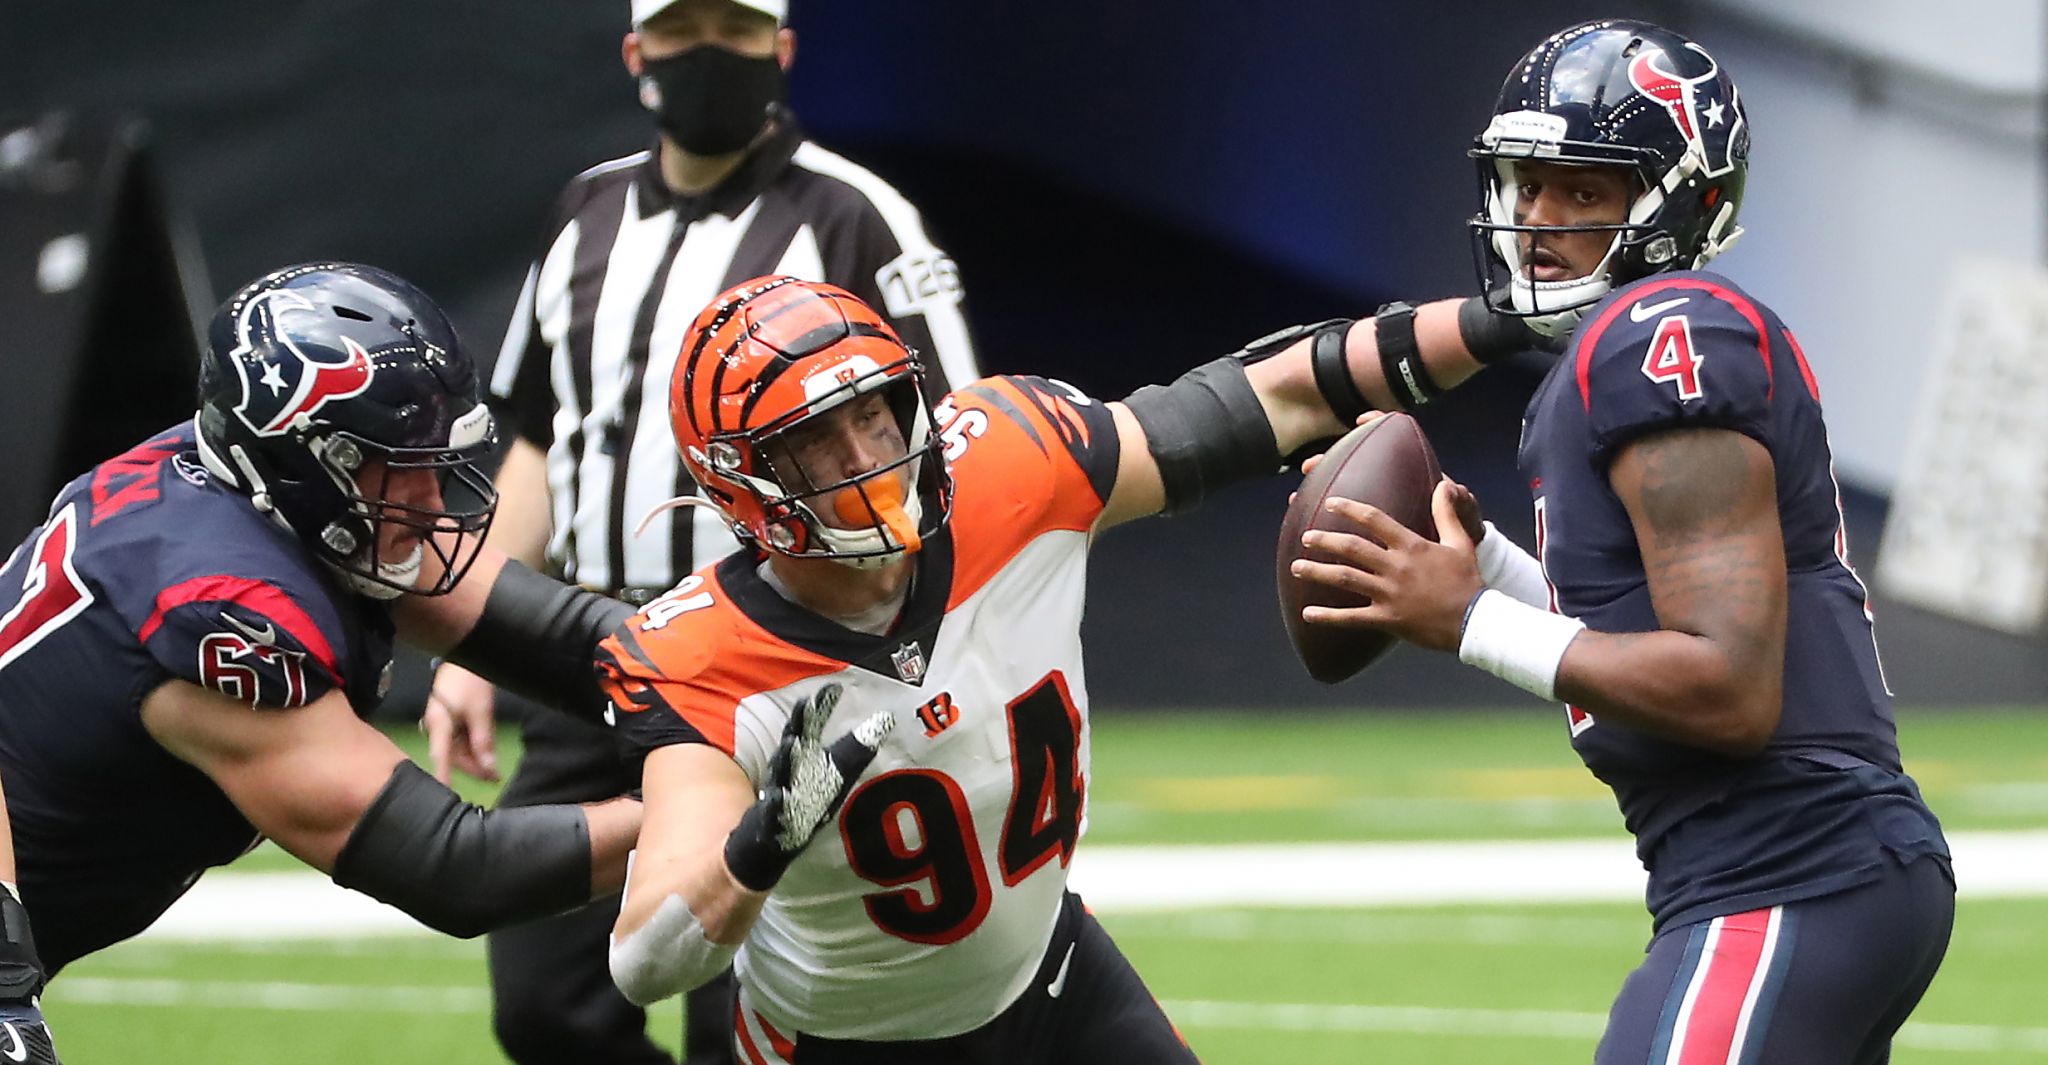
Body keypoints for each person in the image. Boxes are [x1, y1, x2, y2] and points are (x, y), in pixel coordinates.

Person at [585, 269, 1551, 1063]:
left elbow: (1276, 392)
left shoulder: (1012, 464)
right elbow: (646, 961)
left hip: (1054, 981)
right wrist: (764, 838)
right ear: (742, 482)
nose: (868, 455)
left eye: (876, 414)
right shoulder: (705, 654)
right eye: (814, 443)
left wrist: (1499, 318)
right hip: (847, 1046)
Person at [1290, 20, 1952, 1064]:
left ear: (1680, 203)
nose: (1538, 220)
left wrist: (1464, 621)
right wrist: (1483, 567)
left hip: (1788, 870)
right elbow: (1631, 635)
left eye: (1582, 191)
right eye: (1526, 184)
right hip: (1795, 871)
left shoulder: (1658, 335)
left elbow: (1726, 689)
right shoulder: (1626, 350)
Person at [422, 0, 979, 1060]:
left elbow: (960, 441)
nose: (707, 51)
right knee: (543, 1005)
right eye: (681, 30)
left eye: (735, 25)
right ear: (636, 53)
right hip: (588, 656)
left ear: (783, 47)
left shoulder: (857, 216)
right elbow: (542, 441)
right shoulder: (584, 211)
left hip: (765, 660)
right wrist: (470, 649)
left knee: (748, 1020)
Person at [0, 262, 652, 1055]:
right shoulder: (220, 612)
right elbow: (457, 867)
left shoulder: (259, 488)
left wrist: (748, 659)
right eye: (399, 463)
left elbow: (564, 639)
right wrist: (706, 806)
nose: (433, 497)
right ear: (306, 460)